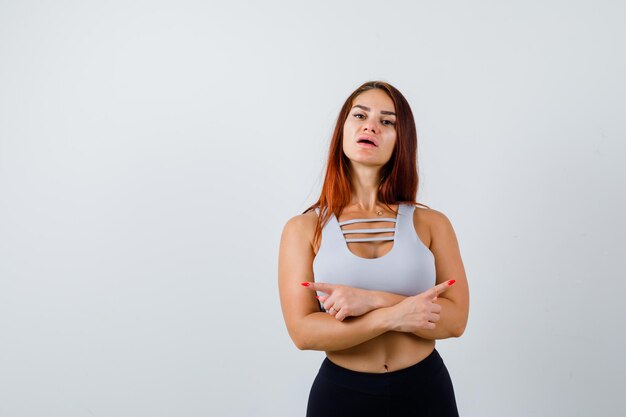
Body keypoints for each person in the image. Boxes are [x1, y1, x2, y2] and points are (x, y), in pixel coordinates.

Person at [278, 81, 469, 417]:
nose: (371, 125)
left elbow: (455, 322)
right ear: (343, 130)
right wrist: (395, 314)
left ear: (401, 140)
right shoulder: (304, 229)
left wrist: (370, 300)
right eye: (360, 115)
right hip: (341, 397)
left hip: (426, 392)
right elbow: (303, 332)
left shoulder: (433, 224)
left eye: (387, 121)